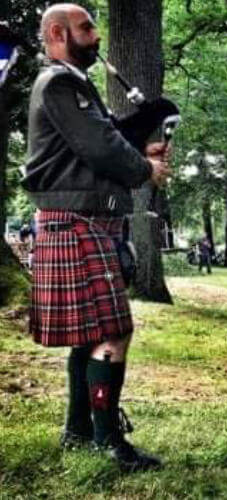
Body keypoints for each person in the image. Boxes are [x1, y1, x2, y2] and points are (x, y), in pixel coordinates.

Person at [21, 3, 171, 472]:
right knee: (112, 332)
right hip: (77, 222)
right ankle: (110, 444)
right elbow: (100, 148)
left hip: (81, 222)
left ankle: (78, 432)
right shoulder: (60, 83)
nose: (96, 35)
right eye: (86, 27)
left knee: (90, 335)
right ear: (57, 33)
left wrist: (139, 145)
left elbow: (100, 140)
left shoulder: (73, 85)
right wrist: (144, 167)